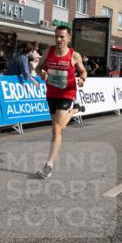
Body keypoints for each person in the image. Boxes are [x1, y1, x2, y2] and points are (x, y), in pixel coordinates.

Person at [35, 25, 87, 179]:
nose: (58, 39)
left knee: (57, 128)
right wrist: (42, 74)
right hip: (51, 93)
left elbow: (83, 71)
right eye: (56, 36)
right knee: (58, 127)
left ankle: (49, 165)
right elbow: (38, 68)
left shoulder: (74, 55)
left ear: (68, 38)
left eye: (62, 37)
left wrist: (82, 79)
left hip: (67, 93)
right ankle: (75, 110)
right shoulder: (48, 52)